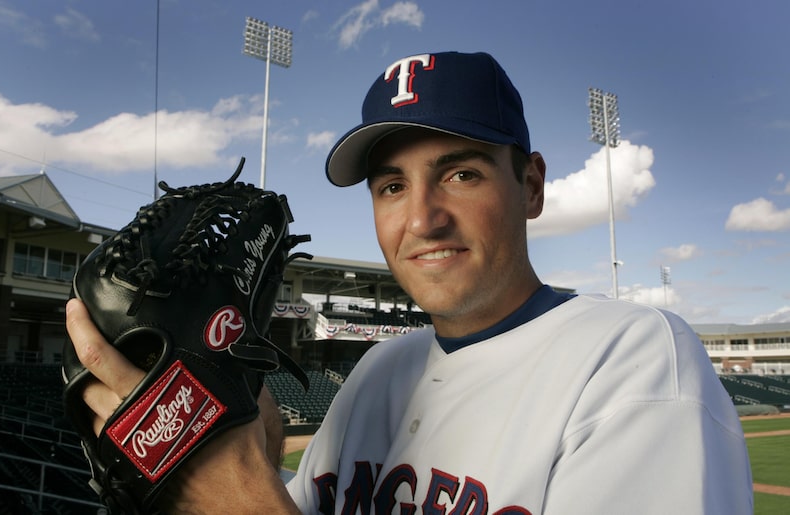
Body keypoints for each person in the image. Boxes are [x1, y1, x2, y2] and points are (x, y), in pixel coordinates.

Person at [66, 51, 753, 514]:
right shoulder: (377, 372)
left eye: (460, 173)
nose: (422, 217)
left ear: (532, 185)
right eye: (392, 185)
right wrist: (232, 455)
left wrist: (245, 494)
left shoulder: (633, 360)